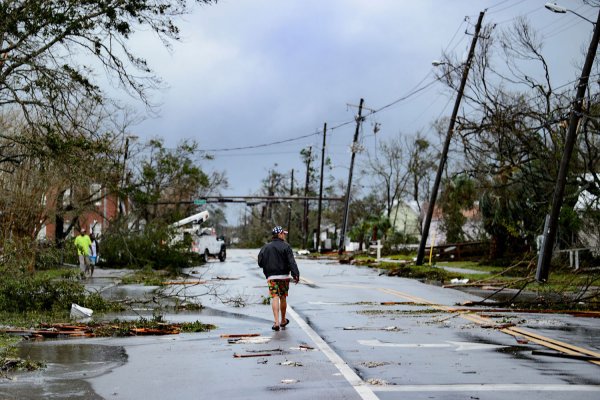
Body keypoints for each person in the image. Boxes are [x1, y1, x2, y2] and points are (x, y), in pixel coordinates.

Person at [258, 225, 300, 331]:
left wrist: (268, 267)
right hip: (284, 277)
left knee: (275, 297)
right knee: (283, 297)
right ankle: (283, 320)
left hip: (271, 277)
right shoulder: (286, 246)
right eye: (283, 234)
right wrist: (296, 274)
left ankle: (276, 322)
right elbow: (291, 262)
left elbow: (260, 262)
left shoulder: (265, 247)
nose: (284, 236)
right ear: (280, 234)